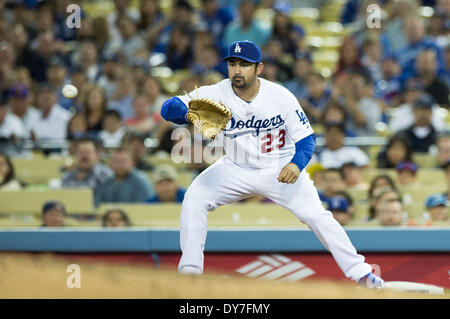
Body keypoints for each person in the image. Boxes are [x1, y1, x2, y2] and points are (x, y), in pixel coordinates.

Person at [159, 40, 384, 287]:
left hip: (278, 167)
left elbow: (307, 139)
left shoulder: (280, 96)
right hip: (235, 167)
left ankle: (362, 274)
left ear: (259, 68)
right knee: (195, 197)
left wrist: (296, 165)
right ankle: (190, 274)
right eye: (232, 64)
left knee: (317, 216)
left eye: (244, 64)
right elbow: (167, 109)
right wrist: (187, 112)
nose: (237, 70)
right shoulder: (215, 93)